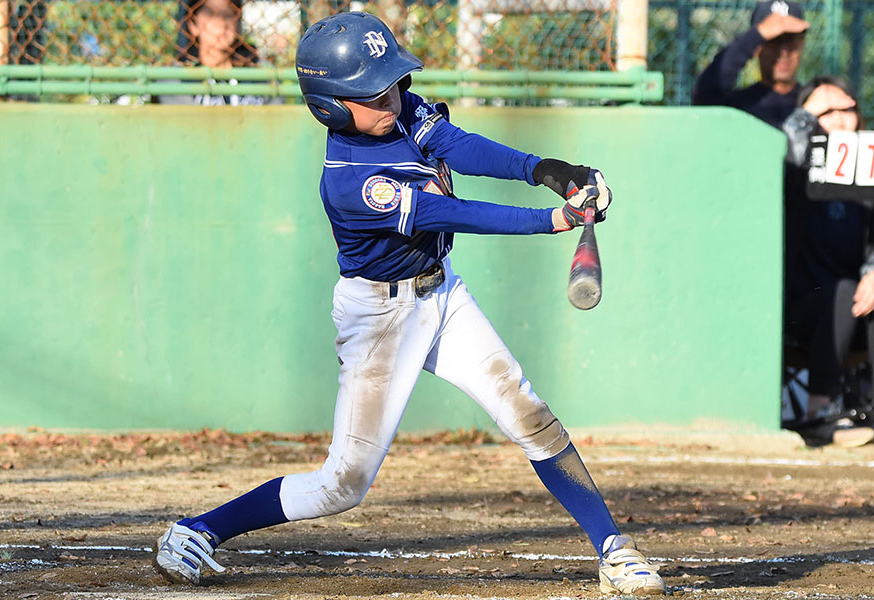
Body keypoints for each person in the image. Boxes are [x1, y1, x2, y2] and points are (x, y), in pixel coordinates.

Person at [151, 11, 666, 596]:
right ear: (332, 106)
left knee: (529, 414)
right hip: (380, 319)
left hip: (440, 292)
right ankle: (200, 530)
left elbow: (456, 145)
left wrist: (547, 170)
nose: (392, 99)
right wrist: (553, 220)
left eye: (394, 83)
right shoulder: (351, 180)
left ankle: (613, 550)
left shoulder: (400, 112)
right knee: (342, 486)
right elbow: (450, 212)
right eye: (374, 93)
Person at [782, 75, 874, 447]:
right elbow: (791, 139)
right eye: (826, 111)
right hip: (801, 311)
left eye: (846, 109)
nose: (837, 119)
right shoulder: (797, 169)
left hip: (858, 309)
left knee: (861, 292)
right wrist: (806, 112)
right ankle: (817, 412)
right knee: (844, 291)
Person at [692, 0, 809, 128]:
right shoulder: (741, 106)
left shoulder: (813, 101)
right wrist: (755, 36)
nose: (784, 52)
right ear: (757, 47)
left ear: (802, 43)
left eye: (790, 40)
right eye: (773, 41)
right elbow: (705, 93)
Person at [157, 0, 271, 106]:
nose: (221, 23)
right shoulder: (177, 77)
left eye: (228, 14)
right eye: (210, 14)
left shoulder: (261, 73)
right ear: (193, 25)